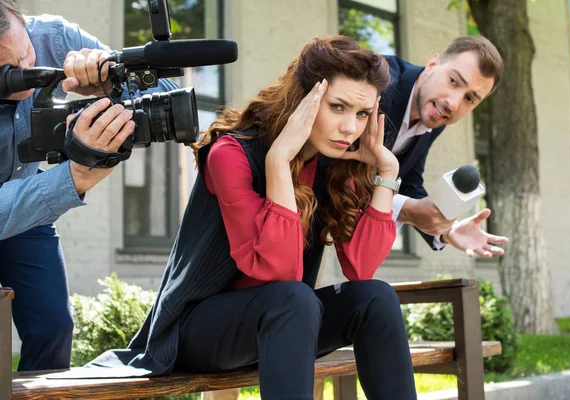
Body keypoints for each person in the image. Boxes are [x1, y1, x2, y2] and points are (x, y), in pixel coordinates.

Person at [74, 35, 416, 400]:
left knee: (375, 297)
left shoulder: (334, 163)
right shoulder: (232, 153)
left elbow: (360, 267)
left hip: (283, 323)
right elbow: (279, 271)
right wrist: (279, 162)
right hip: (198, 330)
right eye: (338, 107)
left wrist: (387, 171)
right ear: (304, 100)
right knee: (294, 298)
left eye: (362, 114)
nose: (351, 128)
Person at [0, 0, 177, 371]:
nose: (25, 71)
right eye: (7, 71)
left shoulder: (53, 37)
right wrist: (71, 178)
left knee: (54, 327)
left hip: (29, 214)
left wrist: (112, 81)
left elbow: (167, 93)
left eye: (27, 55)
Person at [380, 35, 509, 257]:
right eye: (454, 81)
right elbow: (343, 171)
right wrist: (406, 210)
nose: (453, 103)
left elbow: (408, 180)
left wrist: (448, 229)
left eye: (469, 99)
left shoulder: (434, 116)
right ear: (432, 65)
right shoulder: (380, 84)